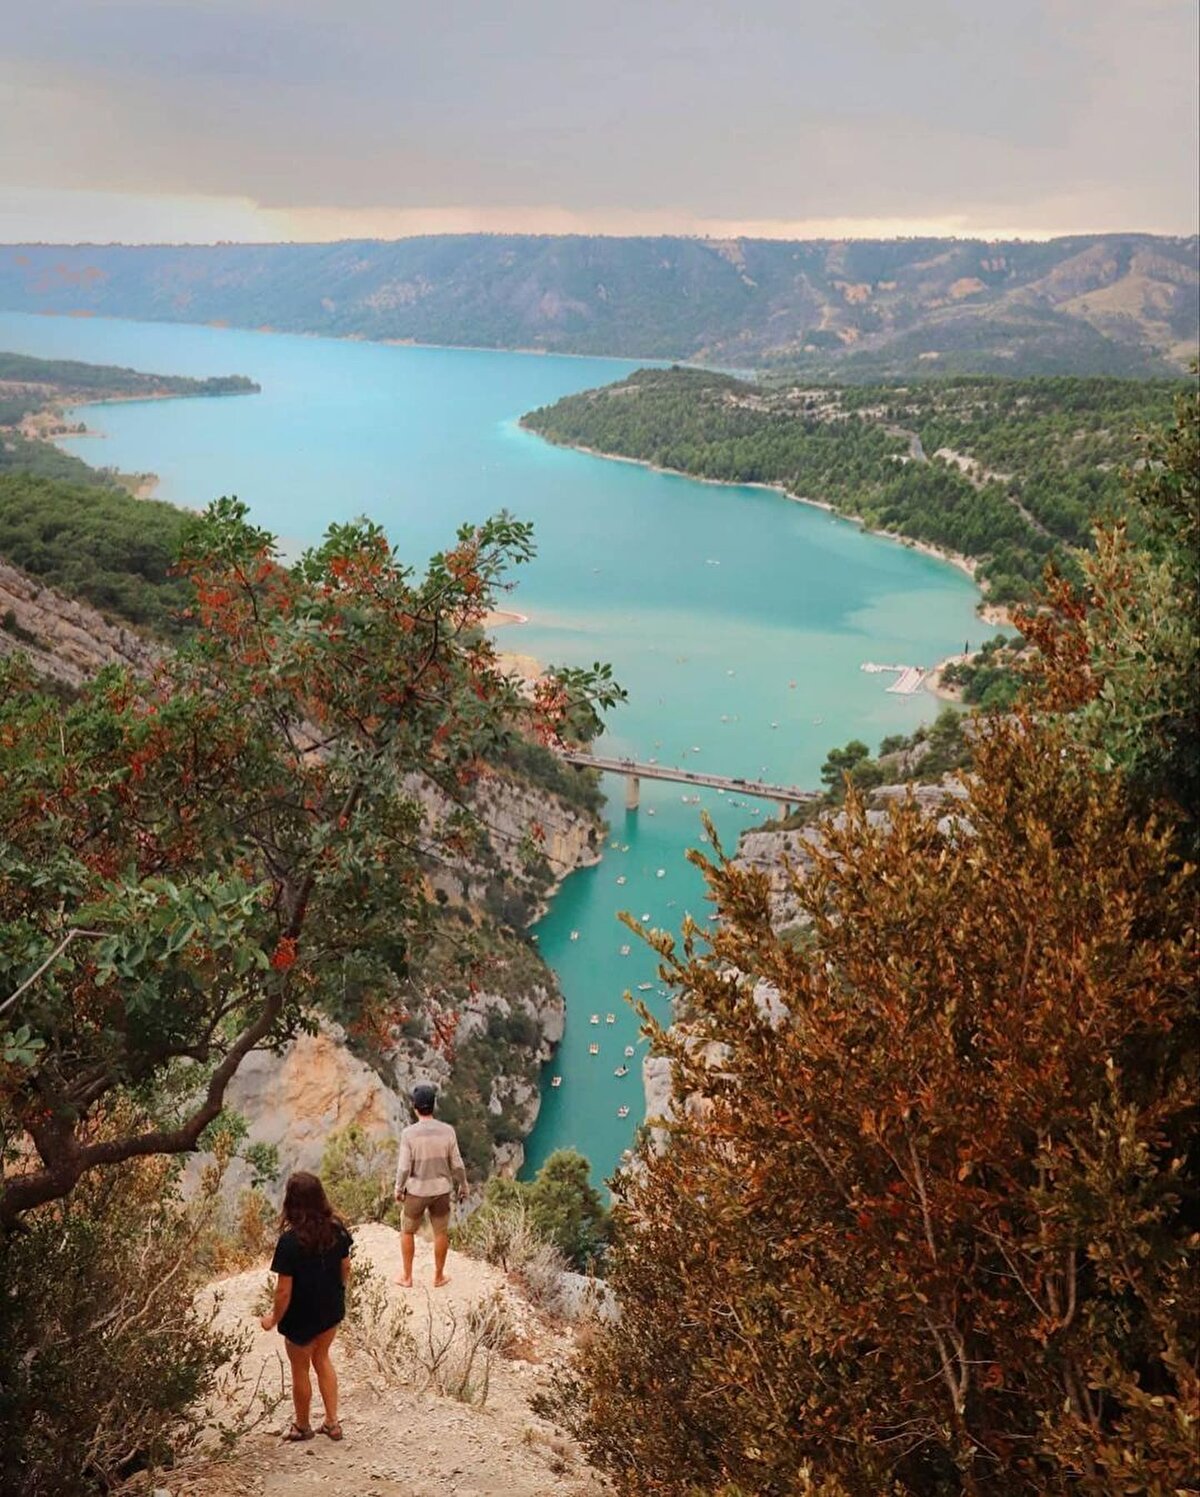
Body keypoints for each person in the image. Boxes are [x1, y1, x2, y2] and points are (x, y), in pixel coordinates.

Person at [259, 1171, 353, 1443]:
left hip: (301, 1316)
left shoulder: (289, 1242)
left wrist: (273, 1318)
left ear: (291, 1202)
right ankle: (332, 1423)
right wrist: (338, 1289)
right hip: (330, 1310)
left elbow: (284, 1290)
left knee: (300, 1368)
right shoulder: (337, 1229)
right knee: (322, 1358)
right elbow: (345, 1266)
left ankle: (302, 1425)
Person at [394, 1082, 468, 1289]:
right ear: (434, 1106)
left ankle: (407, 1278)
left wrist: (398, 1189)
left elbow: (403, 1168)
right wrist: (464, 1185)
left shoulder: (409, 1134)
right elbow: (458, 1165)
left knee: (407, 1232)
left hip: (416, 1191)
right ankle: (438, 1277)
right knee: (440, 1233)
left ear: (415, 1107)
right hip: (441, 1191)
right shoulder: (447, 1131)